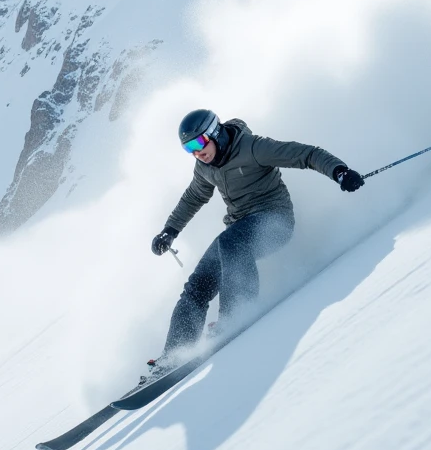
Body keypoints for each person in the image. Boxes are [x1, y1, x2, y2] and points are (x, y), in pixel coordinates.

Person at [148, 109, 364, 374]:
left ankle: (235, 316)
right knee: (196, 287)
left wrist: (339, 171)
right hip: (239, 230)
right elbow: (193, 197)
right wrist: (170, 230)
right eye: (189, 148)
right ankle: (172, 357)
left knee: (230, 242)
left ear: (214, 132)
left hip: (275, 222)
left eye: (198, 143)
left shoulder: (252, 147)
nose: (196, 152)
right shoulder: (204, 166)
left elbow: (305, 154)